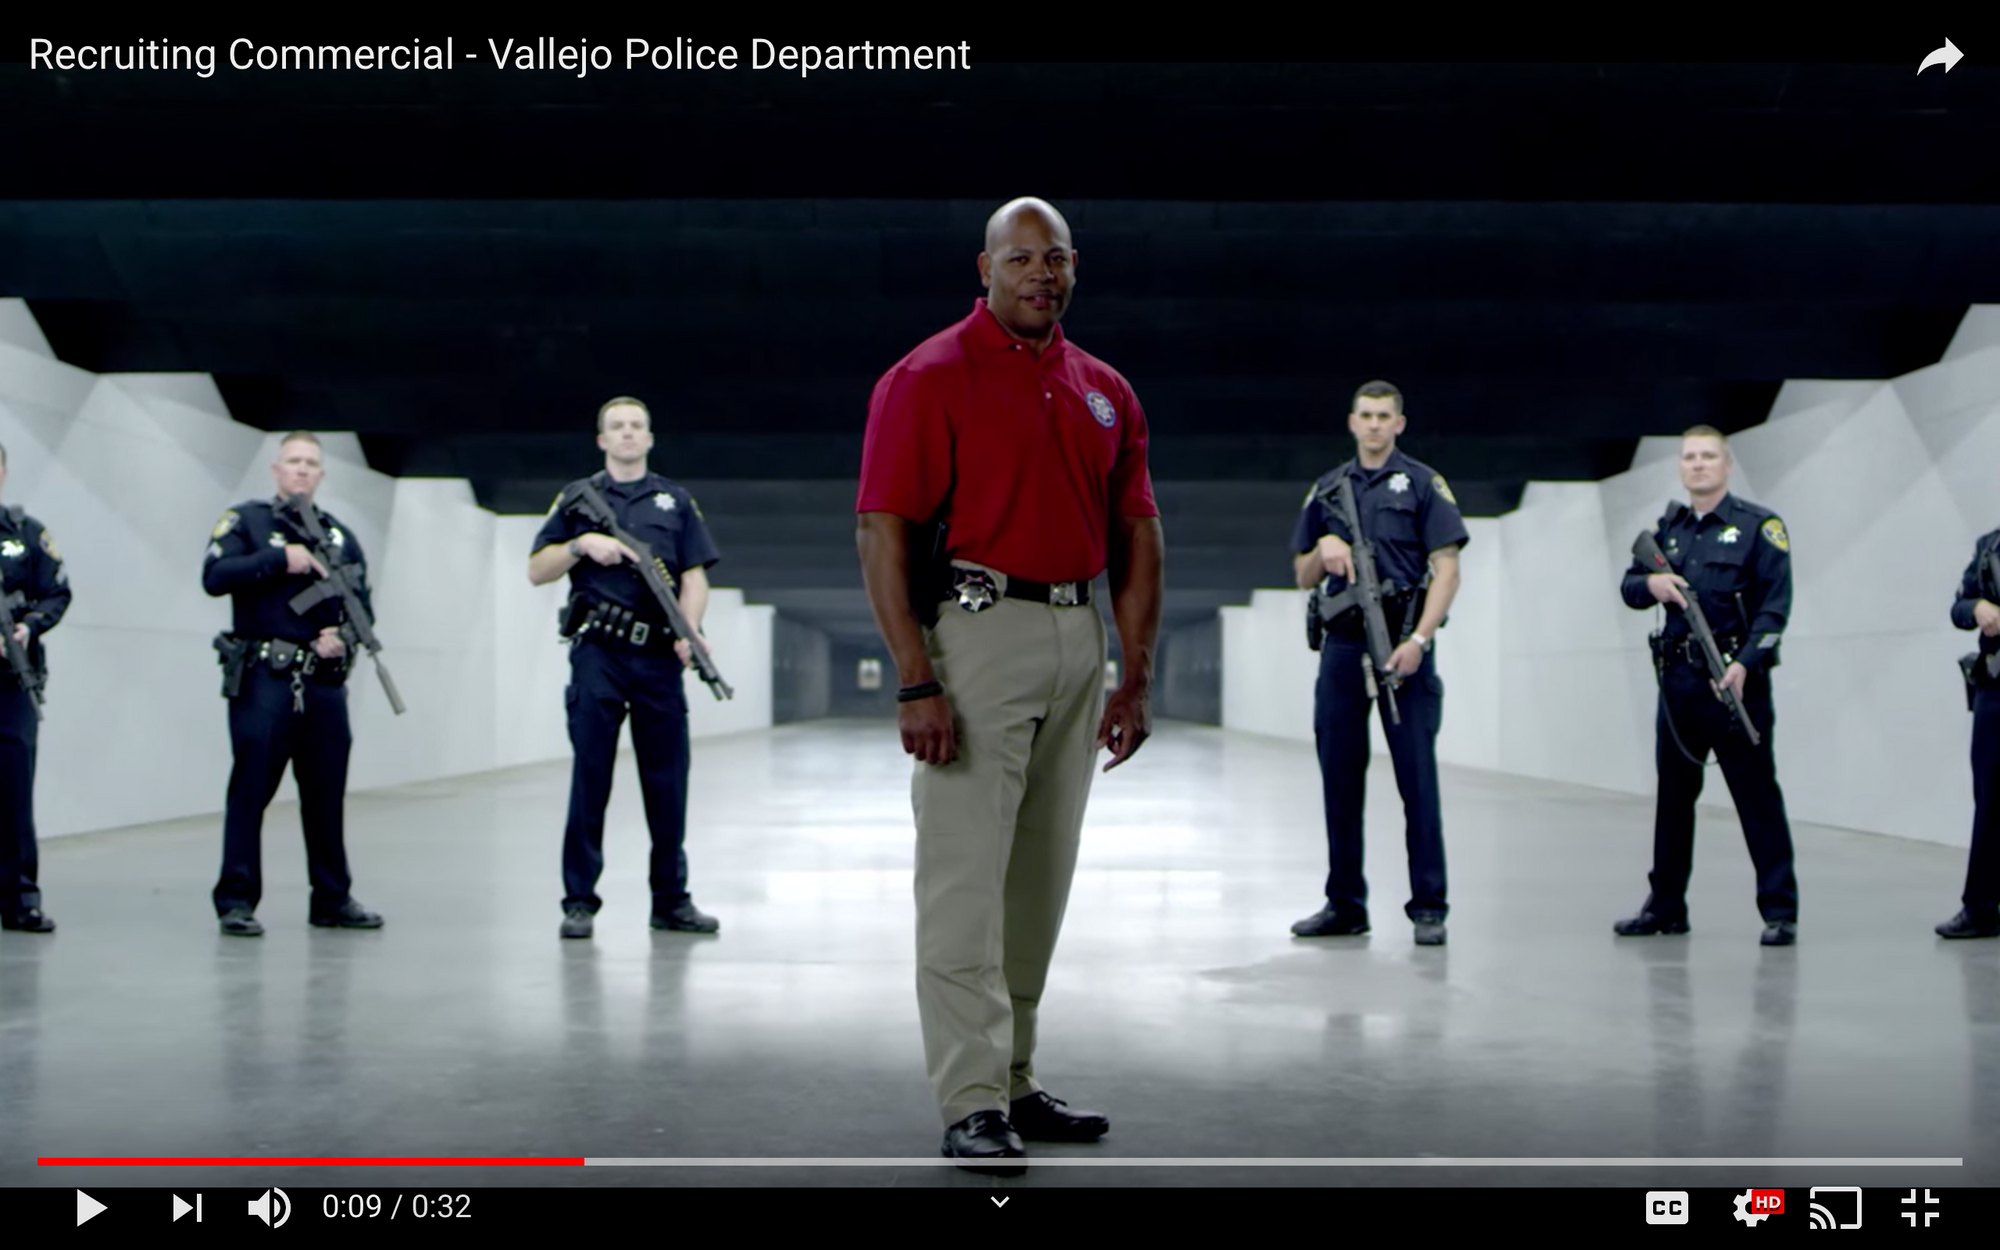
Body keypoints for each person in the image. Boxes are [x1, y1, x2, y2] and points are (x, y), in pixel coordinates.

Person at [855, 196, 1164, 1174]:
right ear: (981, 269)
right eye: (1020, 257)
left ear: (1073, 269)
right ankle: (969, 1096)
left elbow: (1137, 532)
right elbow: (881, 530)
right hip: (979, 633)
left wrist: (1132, 670)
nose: (1041, 273)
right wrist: (915, 679)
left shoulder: (1102, 386)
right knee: (962, 882)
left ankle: (1014, 1075)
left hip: (1080, 637)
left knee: (1039, 879)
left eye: (1056, 258)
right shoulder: (926, 376)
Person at [529, 396, 721, 940]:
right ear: (602, 440)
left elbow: (694, 575)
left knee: (667, 782)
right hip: (598, 656)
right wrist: (581, 545)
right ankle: (579, 902)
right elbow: (537, 569)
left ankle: (671, 901)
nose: (628, 433)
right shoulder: (575, 499)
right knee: (590, 778)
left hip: (659, 657)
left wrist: (691, 631)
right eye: (617, 426)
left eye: (637, 425)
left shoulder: (676, 501)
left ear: (650, 438)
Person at [1288, 381, 1467, 947]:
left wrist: (1419, 639)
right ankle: (1345, 904)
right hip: (1343, 647)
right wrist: (1325, 551)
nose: (1373, 424)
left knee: (1417, 778)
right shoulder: (1328, 489)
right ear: (1351, 422)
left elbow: (1448, 569)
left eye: (1383, 416)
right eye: (1365, 415)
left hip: (1402, 644)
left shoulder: (1421, 483)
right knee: (1339, 778)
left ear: (1399, 423)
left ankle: (1429, 906)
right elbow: (1301, 573)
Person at [1615, 425, 1799, 946]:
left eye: (1708, 456)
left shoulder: (1759, 527)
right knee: (1673, 799)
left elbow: (1774, 611)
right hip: (1678, 685)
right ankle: (1666, 906)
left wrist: (1743, 664)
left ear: (1727, 464)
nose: (1698, 464)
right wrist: (1652, 584)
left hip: (1736, 685)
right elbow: (1630, 587)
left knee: (1756, 797)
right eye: (1690, 457)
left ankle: (1780, 910)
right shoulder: (1668, 530)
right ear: (1681, 466)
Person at [202, 432, 383, 936]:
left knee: (326, 794)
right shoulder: (248, 522)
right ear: (276, 469)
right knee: (251, 790)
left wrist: (342, 636)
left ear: (321, 475)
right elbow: (215, 575)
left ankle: (331, 896)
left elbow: (363, 606)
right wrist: (280, 560)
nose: (302, 470)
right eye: (294, 461)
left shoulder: (338, 535)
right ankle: (236, 900)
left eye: (311, 464)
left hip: (323, 683)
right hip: (265, 677)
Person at [0, 440, 71, 934]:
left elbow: (57, 591)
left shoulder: (26, 533)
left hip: (11, 683)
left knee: (13, 791)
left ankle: (20, 896)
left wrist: (30, 627)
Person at [1941, 528, 2000, 939]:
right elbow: (1958, 608)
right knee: (1990, 796)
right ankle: (1980, 907)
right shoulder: (1990, 545)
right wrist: (1977, 606)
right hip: (1995, 687)